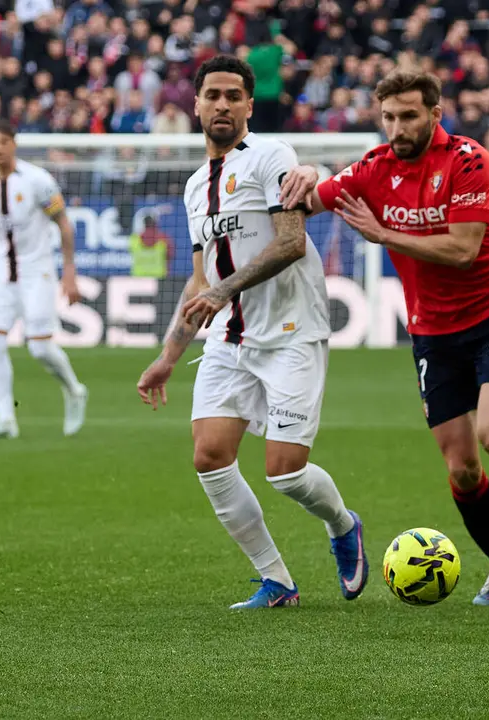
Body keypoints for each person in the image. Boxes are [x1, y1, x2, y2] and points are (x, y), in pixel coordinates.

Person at [278, 69, 489, 606]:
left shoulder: (468, 160)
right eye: (388, 117)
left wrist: (383, 233)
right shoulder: (373, 168)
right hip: (433, 334)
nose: (397, 127)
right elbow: (310, 199)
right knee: (461, 470)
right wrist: (301, 171)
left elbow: (462, 249)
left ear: (435, 114)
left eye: (409, 116)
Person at [135, 55, 367, 610]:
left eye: (232, 96)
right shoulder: (195, 189)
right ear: (195, 104)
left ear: (249, 105)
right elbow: (199, 281)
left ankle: (342, 524)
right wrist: (169, 356)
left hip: (291, 331)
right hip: (230, 340)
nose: (221, 104)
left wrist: (222, 290)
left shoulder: (271, 156)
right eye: (211, 95)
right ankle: (277, 581)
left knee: (284, 473)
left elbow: (290, 243)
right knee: (209, 456)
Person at [0, 119, 88, 439]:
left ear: (13, 143)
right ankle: (6, 418)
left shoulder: (38, 180)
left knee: (39, 349)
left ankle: (75, 390)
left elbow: (64, 224)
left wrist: (69, 271)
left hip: (37, 272)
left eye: (3, 142)